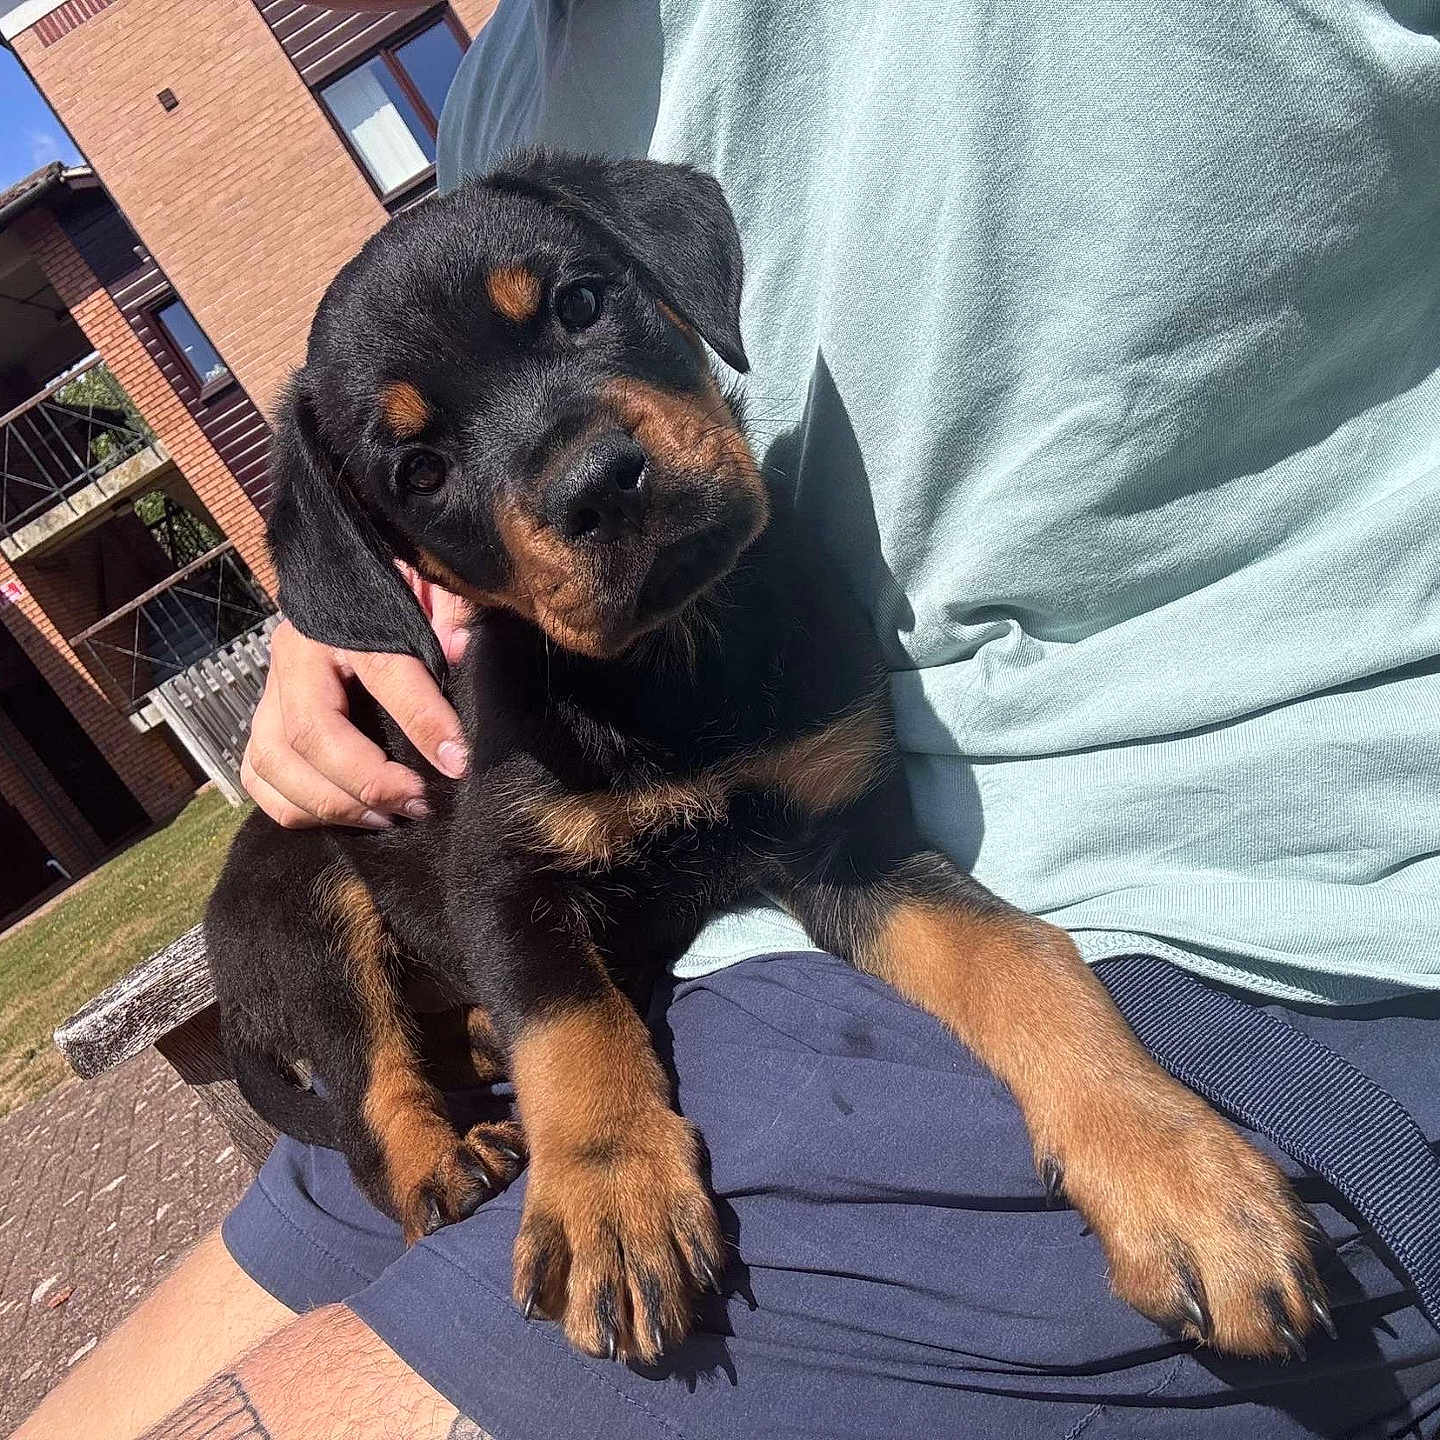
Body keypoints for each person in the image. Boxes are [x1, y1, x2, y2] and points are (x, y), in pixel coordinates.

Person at [18, 2, 1440, 1436]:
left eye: (581, 311)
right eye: (430, 473)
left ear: (670, 274)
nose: (580, 463)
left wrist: (1106, 1095)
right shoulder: (497, 99)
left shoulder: (778, 610)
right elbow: (516, 893)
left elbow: (873, 876)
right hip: (541, 1001)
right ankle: (401, 1121)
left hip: (1250, 942)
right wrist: (327, 626)